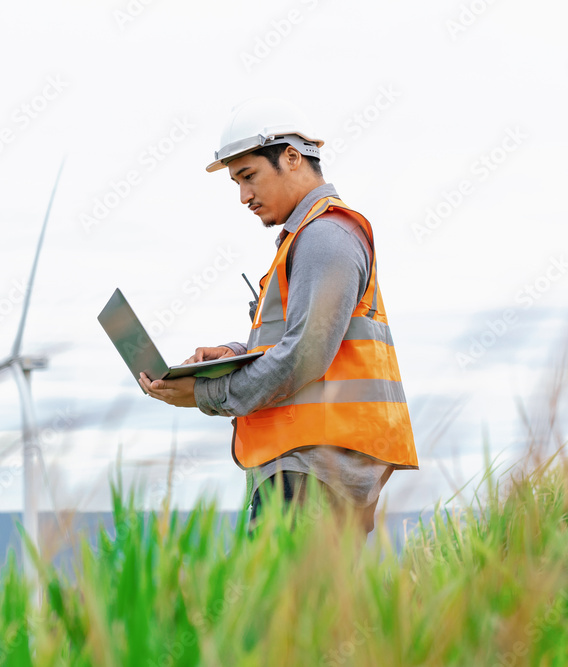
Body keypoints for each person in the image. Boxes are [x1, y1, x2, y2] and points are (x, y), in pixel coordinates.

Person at [138, 97, 418, 537]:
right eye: (236, 183)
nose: (244, 196)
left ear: (291, 156)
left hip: (316, 469)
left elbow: (304, 357)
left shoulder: (326, 235)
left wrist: (207, 392)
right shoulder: (307, 239)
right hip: (306, 466)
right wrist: (233, 355)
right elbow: (297, 345)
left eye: (249, 177)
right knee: (304, 607)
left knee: (273, 605)